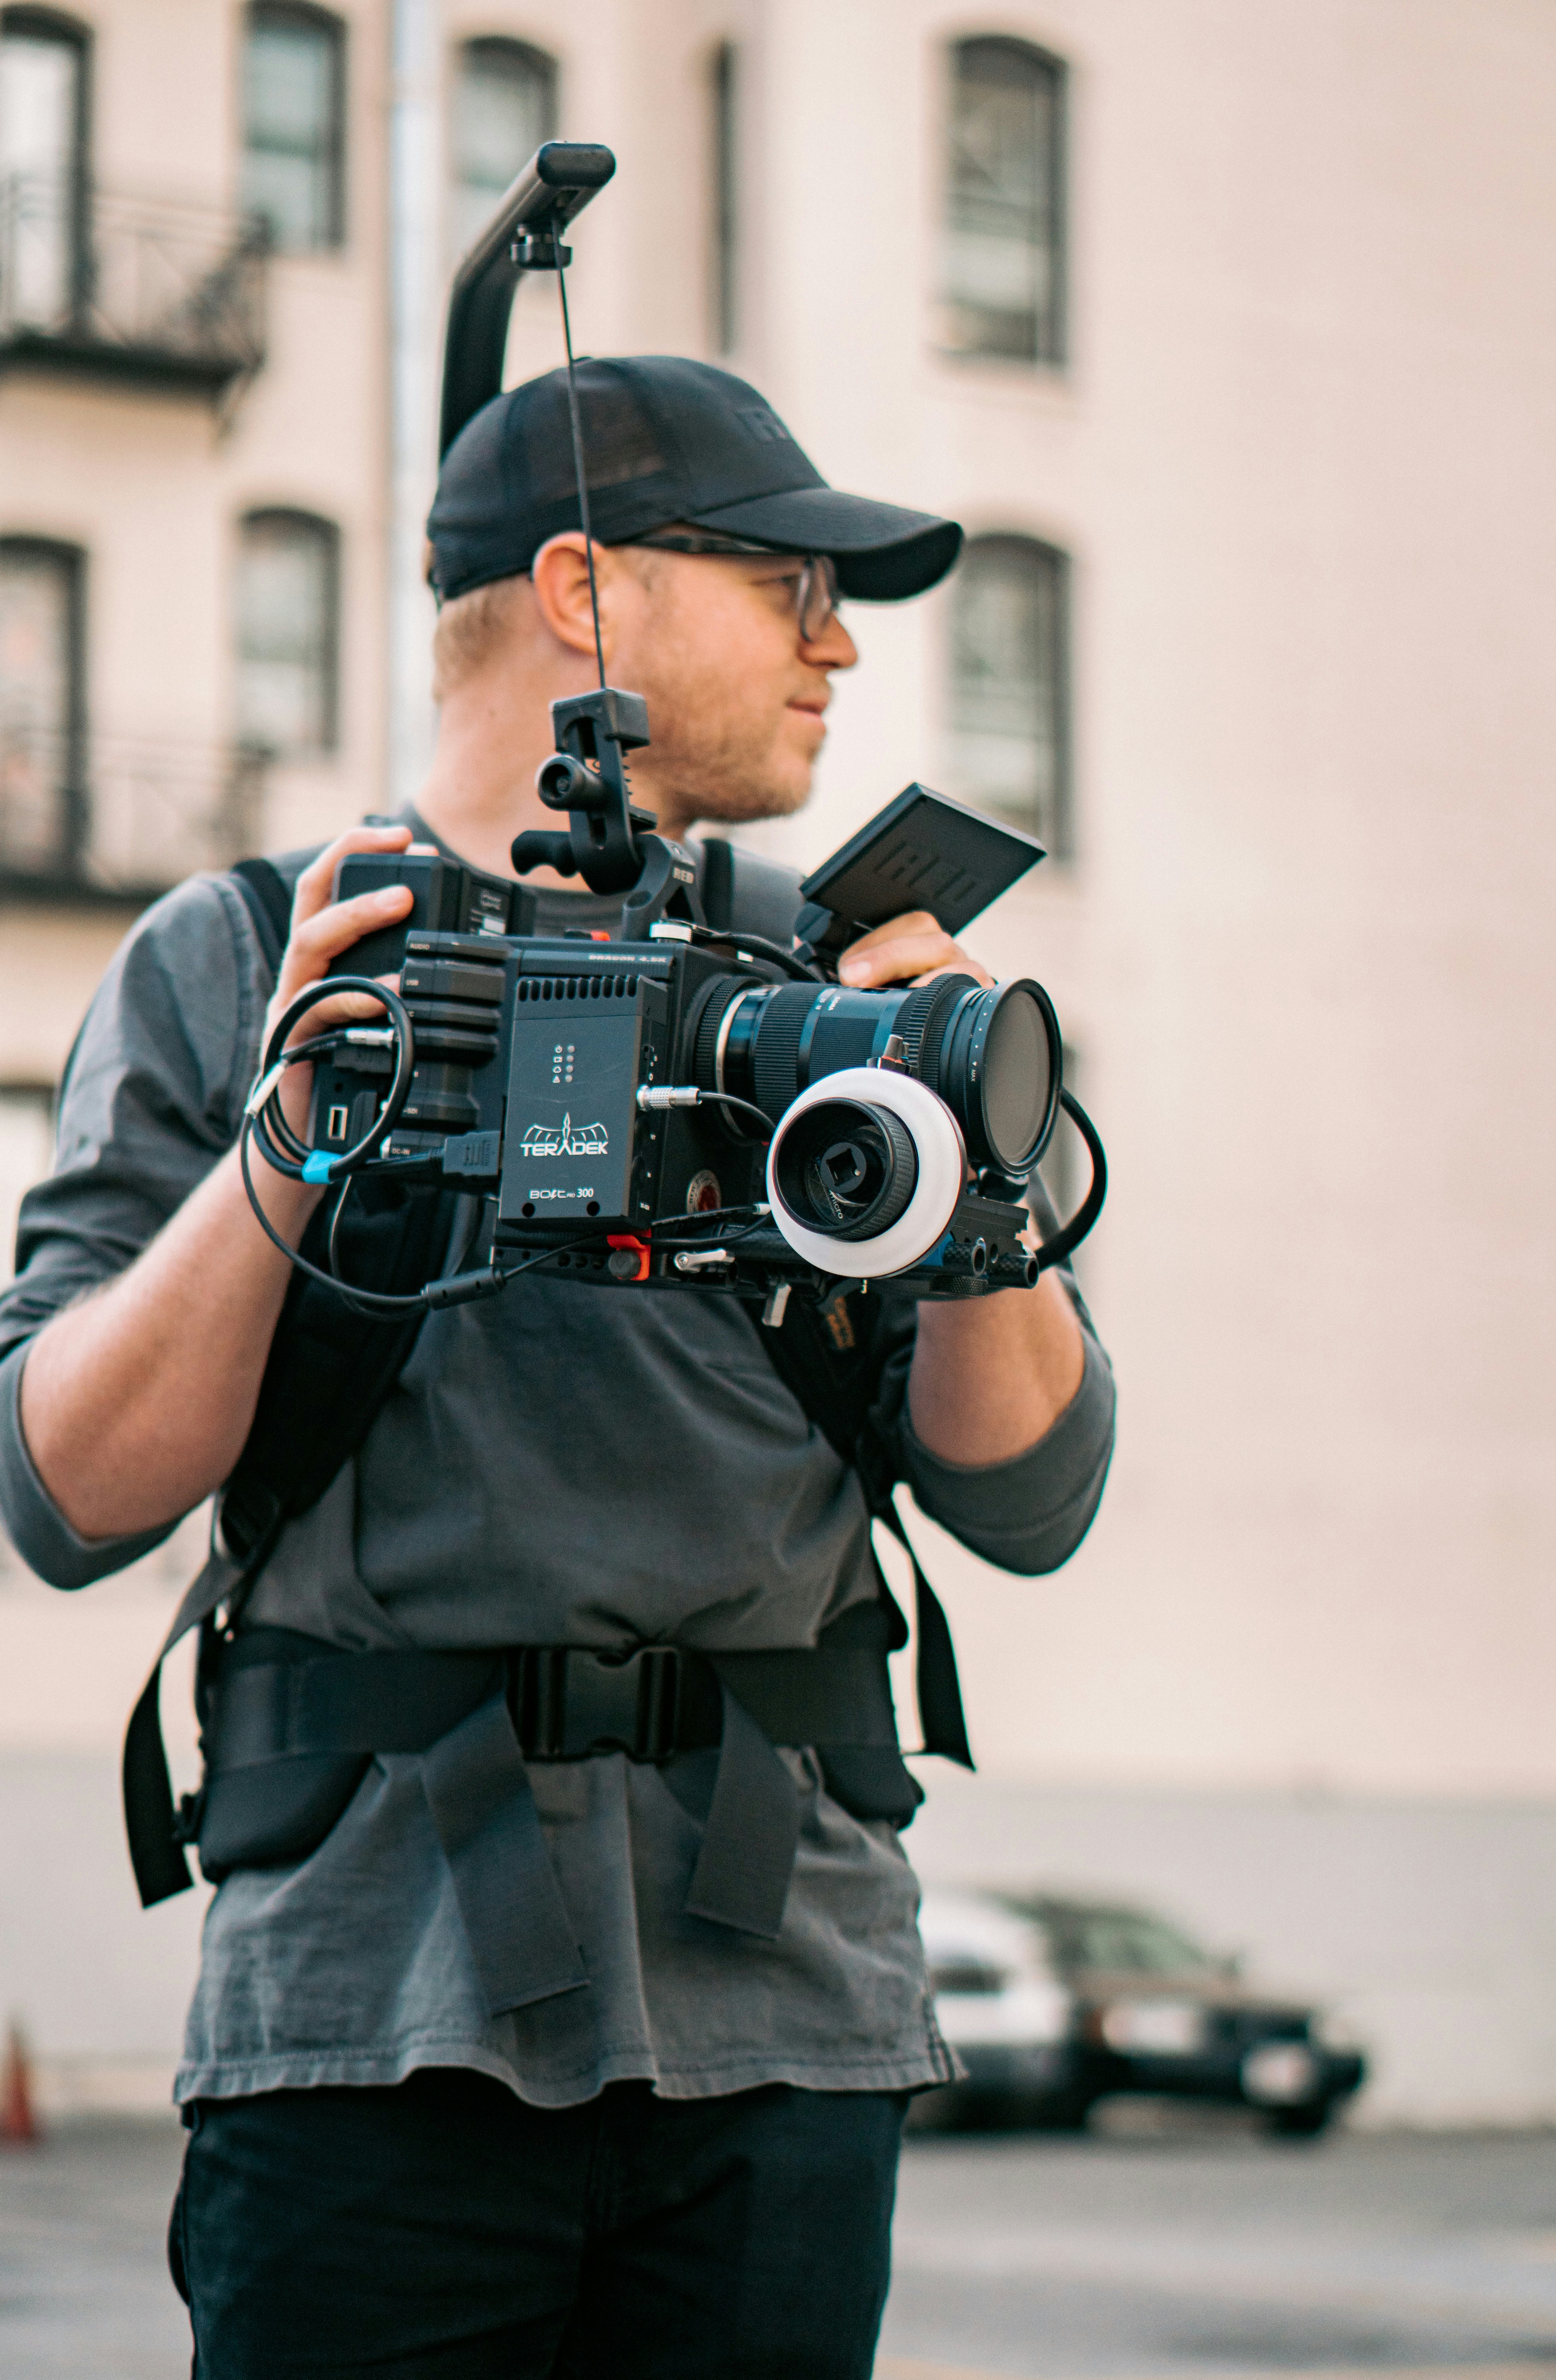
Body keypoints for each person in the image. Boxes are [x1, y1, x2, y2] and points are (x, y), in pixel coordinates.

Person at [0, 357, 1115, 2379]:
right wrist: (300, 1124)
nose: (840, 646)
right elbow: (66, 1493)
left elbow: (1031, 1495)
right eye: (788, 585)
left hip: (779, 2008)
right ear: (587, 589)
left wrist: (965, 1170)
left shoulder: (826, 981)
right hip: (371, 2011)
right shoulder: (241, 960)